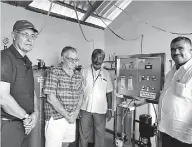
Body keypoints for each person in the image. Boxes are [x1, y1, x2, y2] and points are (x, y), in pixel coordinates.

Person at [0, 20, 39, 147]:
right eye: (25, 34)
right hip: (8, 124)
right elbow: (3, 97)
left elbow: (30, 90)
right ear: (13, 35)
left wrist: (36, 113)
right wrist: (26, 117)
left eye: (32, 36)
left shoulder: (27, 61)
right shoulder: (4, 58)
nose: (29, 39)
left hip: (25, 124)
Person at [43, 46, 84, 147]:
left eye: (76, 60)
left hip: (72, 117)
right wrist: (67, 115)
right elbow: (50, 98)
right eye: (70, 59)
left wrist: (76, 113)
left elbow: (81, 95)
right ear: (63, 58)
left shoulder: (78, 75)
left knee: (66, 143)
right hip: (56, 119)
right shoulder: (54, 72)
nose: (74, 62)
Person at [158, 36, 192, 147]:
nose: (176, 52)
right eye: (172, 49)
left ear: (190, 50)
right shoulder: (171, 73)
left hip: (183, 137)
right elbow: (166, 95)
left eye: (180, 48)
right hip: (165, 130)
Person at [79, 49, 113, 147]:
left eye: (100, 58)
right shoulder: (84, 71)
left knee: (100, 134)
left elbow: (109, 92)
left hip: (100, 109)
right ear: (91, 58)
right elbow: (79, 91)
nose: (97, 61)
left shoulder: (106, 73)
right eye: (95, 58)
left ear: (103, 60)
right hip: (85, 108)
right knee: (83, 134)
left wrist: (110, 109)